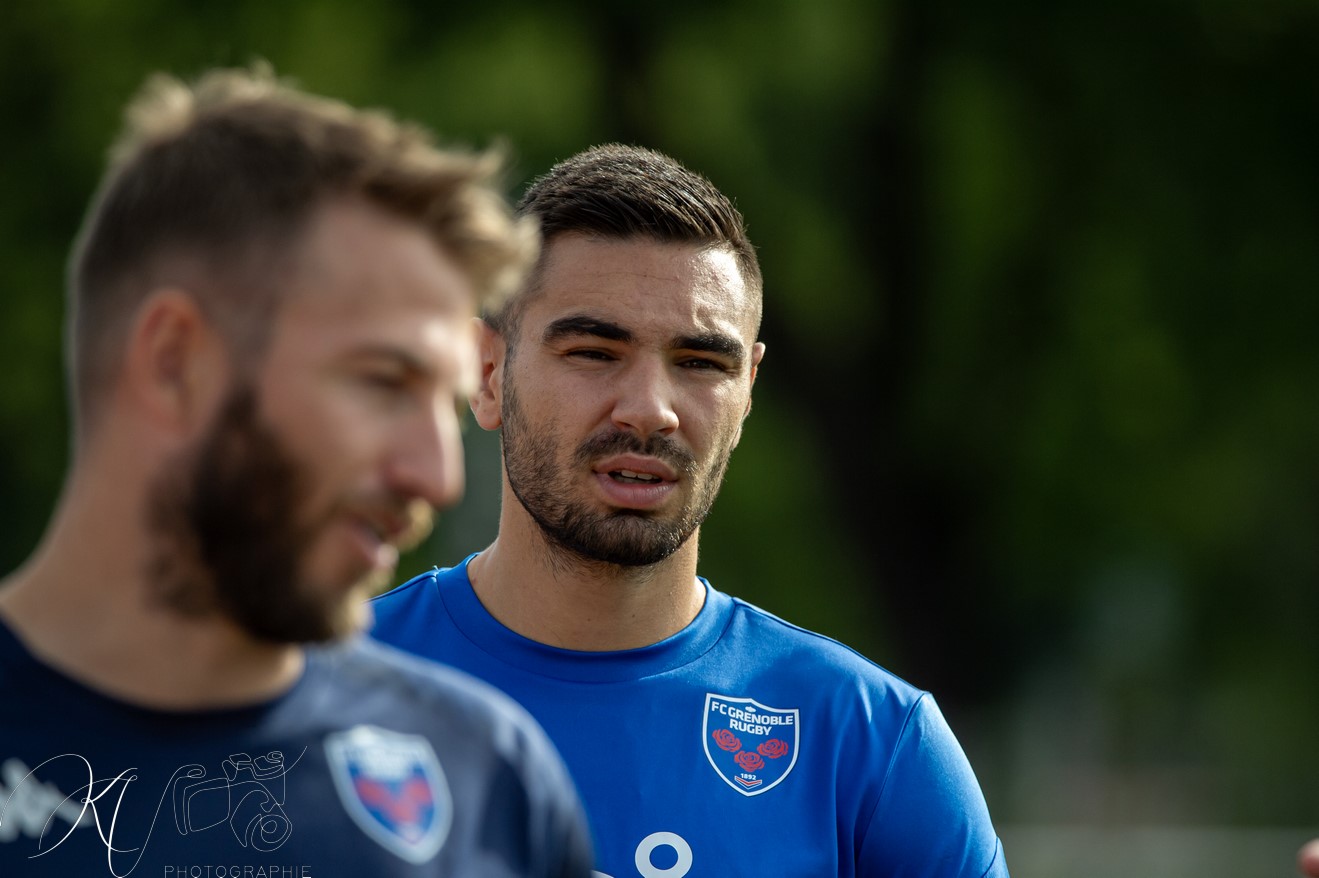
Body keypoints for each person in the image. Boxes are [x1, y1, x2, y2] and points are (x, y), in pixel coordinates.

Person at [0, 65, 594, 877]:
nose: (436, 478)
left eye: (450, 408)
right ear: (175, 363)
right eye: (383, 382)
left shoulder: (488, 782)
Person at [369, 143, 1009, 877]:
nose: (650, 411)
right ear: (486, 372)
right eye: (593, 352)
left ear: (746, 395)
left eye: (700, 364)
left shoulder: (870, 746)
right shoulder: (307, 701)